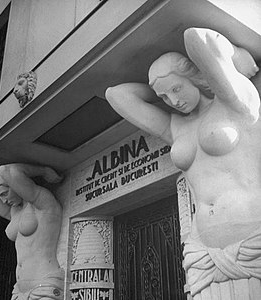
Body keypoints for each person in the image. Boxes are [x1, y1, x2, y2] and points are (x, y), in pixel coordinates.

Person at [105, 27, 261, 298]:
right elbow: (116, 96)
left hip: (252, 234)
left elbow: (195, 37)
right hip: (202, 252)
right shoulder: (176, 126)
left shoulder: (235, 101)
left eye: (177, 89)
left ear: (196, 75)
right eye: (166, 98)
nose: (173, 101)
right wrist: (161, 85)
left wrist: (235, 55)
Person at [0, 163, 64, 300]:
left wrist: (43, 171)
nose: (3, 201)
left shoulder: (43, 203)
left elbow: (8, 170)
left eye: (4, 194)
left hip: (44, 284)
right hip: (19, 290)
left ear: (15, 186)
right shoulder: (14, 212)